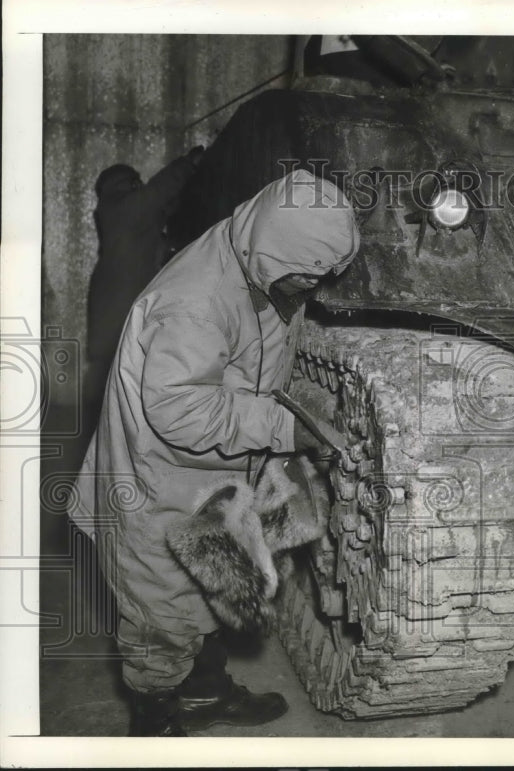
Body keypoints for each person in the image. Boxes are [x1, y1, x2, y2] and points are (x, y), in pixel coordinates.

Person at [69, 169, 360, 736]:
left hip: (207, 476)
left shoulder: (254, 255)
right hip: (157, 482)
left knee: (214, 583)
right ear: (277, 253)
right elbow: (179, 409)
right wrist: (283, 428)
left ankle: (203, 693)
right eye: (307, 277)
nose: (312, 290)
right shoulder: (195, 303)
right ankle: (153, 722)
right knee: (161, 614)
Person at [86, 147, 205, 408]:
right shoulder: (123, 209)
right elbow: (156, 194)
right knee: (114, 393)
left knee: (116, 389)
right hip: (117, 310)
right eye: (134, 181)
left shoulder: (120, 216)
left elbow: (158, 213)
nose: (140, 184)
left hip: (115, 307)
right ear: (124, 184)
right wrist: (188, 164)